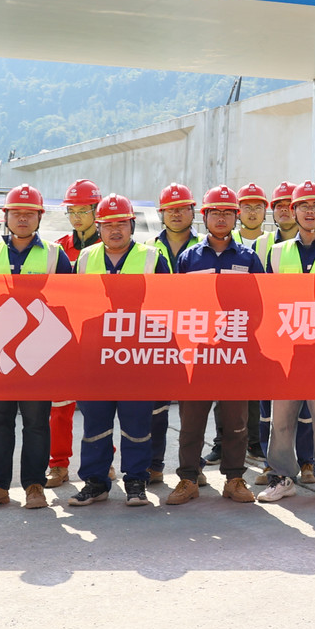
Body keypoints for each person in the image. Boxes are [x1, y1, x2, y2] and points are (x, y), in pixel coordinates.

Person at [0, 184, 76, 512]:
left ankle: (34, 485)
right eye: (16, 213)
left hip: (37, 354)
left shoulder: (55, 255)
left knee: (36, 423)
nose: (23, 219)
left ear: (40, 217)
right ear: (6, 217)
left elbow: (69, 304)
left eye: (30, 214)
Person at [169, 185, 264, 506]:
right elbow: (176, 305)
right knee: (191, 422)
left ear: (236, 217)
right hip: (197, 354)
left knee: (236, 422)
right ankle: (188, 478)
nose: (221, 218)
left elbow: (260, 306)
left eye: (227, 213)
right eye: (215, 213)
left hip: (235, 353)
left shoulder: (249, 258)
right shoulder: (189, 258)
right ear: (205, 217)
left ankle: (234, 479)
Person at [69, 194, 164, 508]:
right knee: (95, 425)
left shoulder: (152, 258)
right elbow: (73, 306)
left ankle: (136, 481)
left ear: (132, 225)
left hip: (138, 357)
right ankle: (95, 482)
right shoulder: (85, 259)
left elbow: (170, 306)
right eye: (108, 225)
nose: (115, 230)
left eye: (121, 223)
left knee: (137, 425)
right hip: (95, 357)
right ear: (98, 227)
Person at [258, 181, 315, 505]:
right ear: (293, 211)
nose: (310, 211)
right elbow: (268, 302)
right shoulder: (277, 253)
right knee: (281, 419)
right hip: (288, 352)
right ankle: (281, 477)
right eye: (303, 206)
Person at [45, 178, 103, 490]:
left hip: (97, 336)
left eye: (83, 210)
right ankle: (58, 464)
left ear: (97, 210)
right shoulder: (58, 250)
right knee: (60, 407)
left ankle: (103, 462)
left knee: (99, 407)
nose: (77, 217)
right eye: (72, 211)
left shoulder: (109, 247)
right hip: (63, 337)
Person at [145, 181, 199, 483]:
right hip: (159, 336)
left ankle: (193, 468)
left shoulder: (206, 246)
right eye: (170, 209)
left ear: (192, 211)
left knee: (194, 408)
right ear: (161, 213)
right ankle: (154, 465)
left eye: (182, 209)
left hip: (196, 336)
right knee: (157, 407)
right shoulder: (146, 250)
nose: (176, 214)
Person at [233, 180, 279, 467]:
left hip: (263, 323)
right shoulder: (226, 238)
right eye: (247, 207)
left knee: (260, 390)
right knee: (229, 391)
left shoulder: (275, 243)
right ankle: (223, 442)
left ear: (265, 211)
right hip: (230, 324)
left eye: (257, 207)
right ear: (238, 211)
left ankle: (257, 443)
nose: (252, 212)